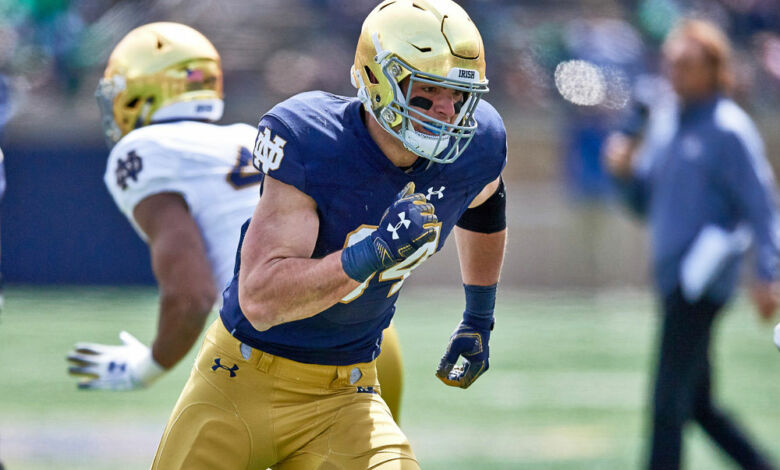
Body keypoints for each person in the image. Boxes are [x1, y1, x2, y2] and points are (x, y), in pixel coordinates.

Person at [152, 0, 508, 468]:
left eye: (458, 94)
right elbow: (260, 299)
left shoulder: (476, 145)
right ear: (379, 78)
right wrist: (372, 252)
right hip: (239, 380)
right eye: (427, 90)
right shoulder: (314, 140)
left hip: (346, 394)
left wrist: (478, 317)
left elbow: (485, 199)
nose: (447, 111)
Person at [63, 21, 405, 422]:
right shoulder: (249, 136)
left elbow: (191, 296)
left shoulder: (145, 150)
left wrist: (147, 367)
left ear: (141, 92)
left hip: (290, 346)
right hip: (371, 335)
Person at [604, 18, 779, 470]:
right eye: (671, 63)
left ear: (713, 69)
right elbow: (643, 202)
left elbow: (762, 206)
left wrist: (768, 273)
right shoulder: (665, 123)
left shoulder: (729, 129)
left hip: (702, 281)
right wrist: (624, 172)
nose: (674, 73)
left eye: (686, 64)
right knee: (697, 403)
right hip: (672, 277)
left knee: (666, 403)